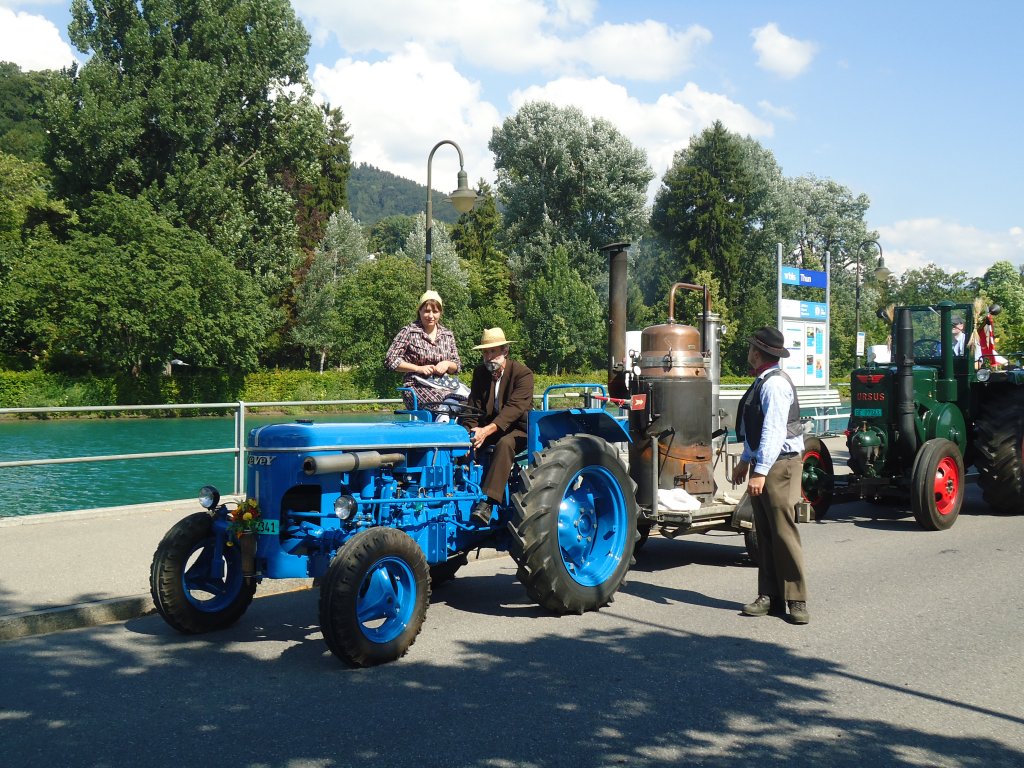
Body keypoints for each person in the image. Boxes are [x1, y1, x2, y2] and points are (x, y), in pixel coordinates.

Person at [731, 326, 809, 625]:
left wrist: (759, 471)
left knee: (783, 532)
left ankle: (796, 599)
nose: (748, 352)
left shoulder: (774, 384)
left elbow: (774, 432)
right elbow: (757, 429)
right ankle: (770, 595)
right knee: (764, 534)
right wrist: (746, 461)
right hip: (769, 464)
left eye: (751, 347)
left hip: (780, 465)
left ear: (757, 353)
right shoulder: (763, 381)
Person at [460, 328, 534, 526]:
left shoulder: (522, 374)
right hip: (490, 427)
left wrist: (486, 431)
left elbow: (514, 409)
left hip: (520, 429)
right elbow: (472, 406)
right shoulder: (480, 373)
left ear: (505, 351)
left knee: (505, 443)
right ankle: (457, 492)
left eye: (493, 351)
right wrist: (468, 432)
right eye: (485, 352)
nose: (488, 356)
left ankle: (488, 502)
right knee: (459, 443)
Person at [384, 290, 462, 413]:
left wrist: (447, 364)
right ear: (419, 311)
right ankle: (442, 429)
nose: (431, 316)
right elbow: (390, 360)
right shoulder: (409, 332)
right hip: (416, 386)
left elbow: (457, 365)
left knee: (469, 402)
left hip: (444, 384)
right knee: (445, 404)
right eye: (427, 311)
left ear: (440, 312)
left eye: (435, 311)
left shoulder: (448, 335)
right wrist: (418, 368)